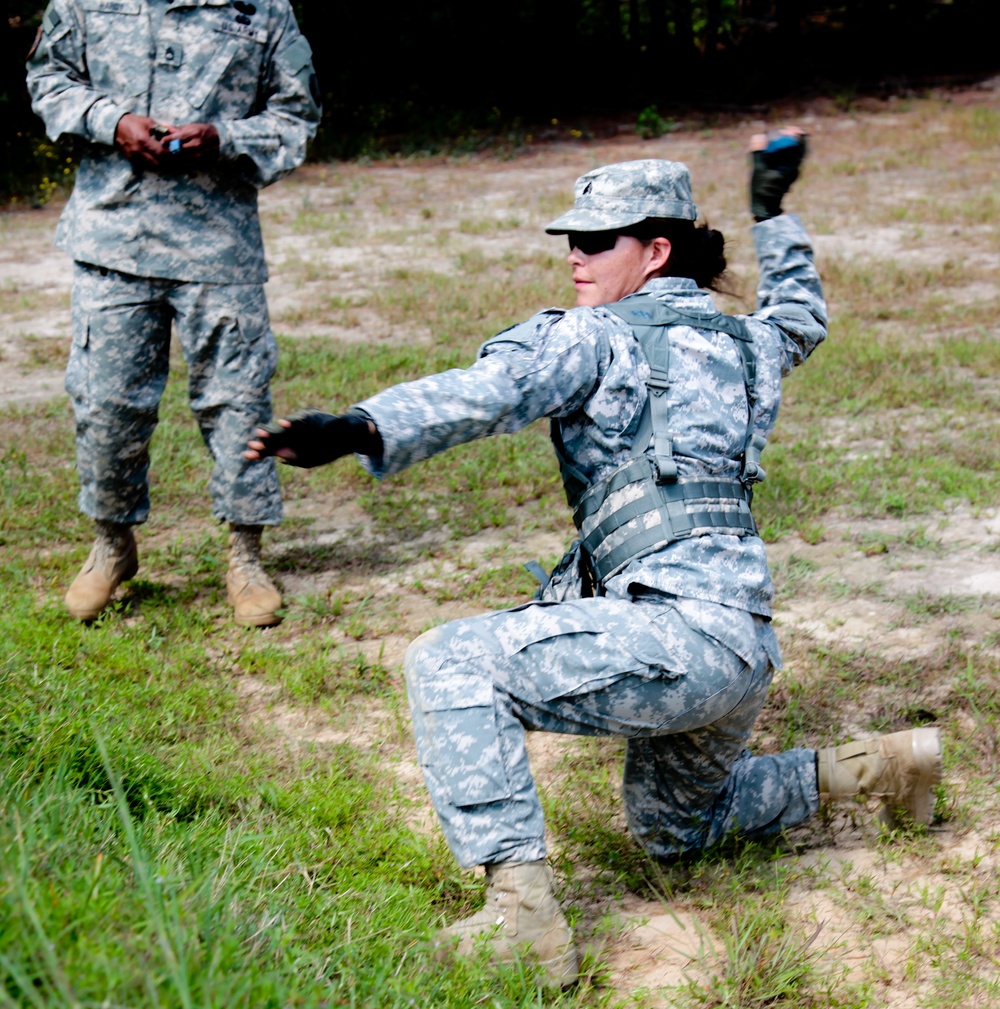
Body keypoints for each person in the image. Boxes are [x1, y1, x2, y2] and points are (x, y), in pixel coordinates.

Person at [245, 134, 943, 986]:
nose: (575, 256)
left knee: (452, 662)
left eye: (596, 241)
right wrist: (774, 212)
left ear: (653, 252)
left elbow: (487, 391)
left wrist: (361, 426)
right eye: (569, 240)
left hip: (677, 642)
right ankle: (880, 766)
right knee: (674, 829)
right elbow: (800, 313)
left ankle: (523, 926)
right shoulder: (748, 344)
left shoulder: (593, 339)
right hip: (742, 650)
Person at [26, 0, 321, 626]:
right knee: (106, 402)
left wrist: (226, 139)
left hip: (220, 247)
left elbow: (297, 116)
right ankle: (112, 546)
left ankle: (246, 556)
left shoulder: (263, 9)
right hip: (112, 239)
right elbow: (47, 80)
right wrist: (113, 120)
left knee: (239, 403)